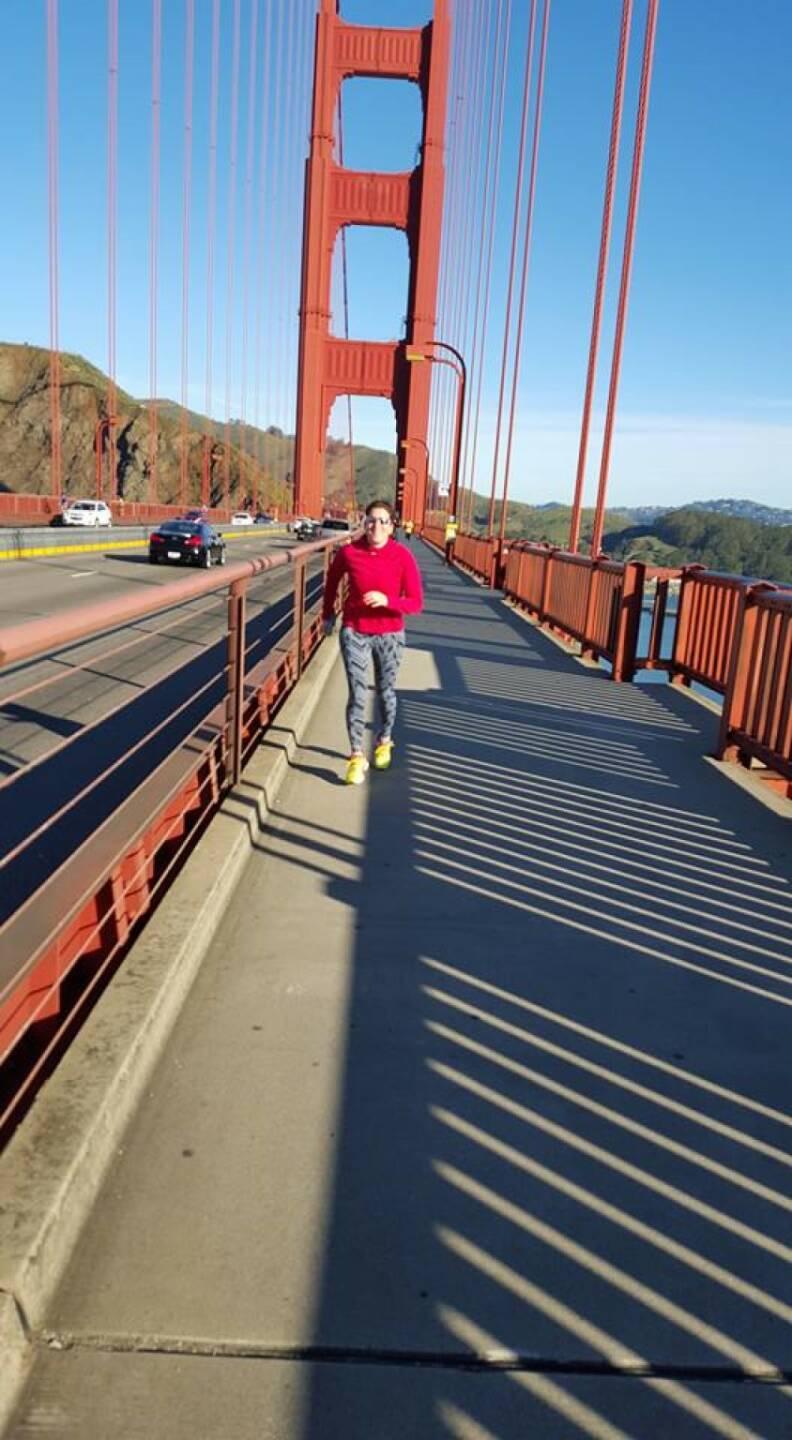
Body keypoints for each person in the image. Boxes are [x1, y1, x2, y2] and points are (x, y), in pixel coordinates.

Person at [322, 498, 423, 785]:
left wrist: (387, 600)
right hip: (355, 631)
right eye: (371, 519)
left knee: (385, 691)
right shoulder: (349, 552)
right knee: (357, 693)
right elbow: (331, 581)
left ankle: (384, 740)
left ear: (392, 527)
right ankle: (355, 755)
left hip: (390, 634)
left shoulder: (403, 557)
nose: (375, 525)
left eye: (383, 521)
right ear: (363, 522)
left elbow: (415, 603)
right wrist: (328, 614)